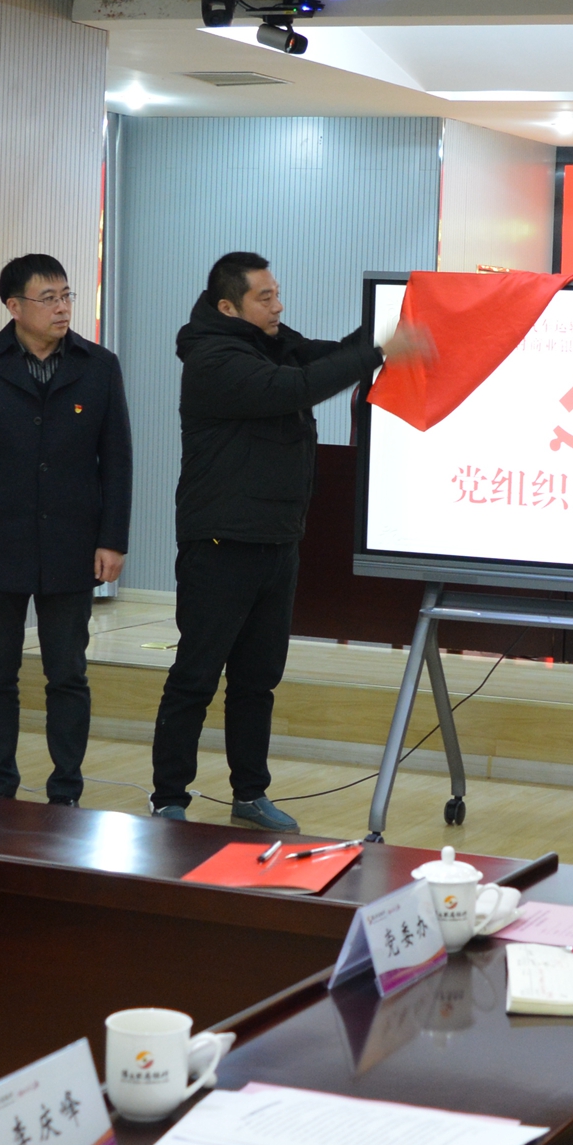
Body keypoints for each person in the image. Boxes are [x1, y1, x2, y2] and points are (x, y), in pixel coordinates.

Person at [151, 253, 427, 832]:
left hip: (277, 542)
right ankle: (168, 797)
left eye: (277, 294)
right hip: (220, 544)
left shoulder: (270, 342)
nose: (278, 306)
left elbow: (327, 356)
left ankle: (250, 794)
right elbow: (298, 387)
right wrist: (381, 349)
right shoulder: (214, 359)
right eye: (265, 298)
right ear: (229, 307)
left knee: (258, 680)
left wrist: (396, 317)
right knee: (196, 677)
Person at [0, 256, 133, 805]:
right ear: (14, 306)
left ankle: (66, 788)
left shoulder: (99, 366)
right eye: (48, 298)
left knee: (67, 674)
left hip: (73, 544)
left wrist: (113, 539)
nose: (62, 308)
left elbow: (117, 460)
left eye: (66, 296)